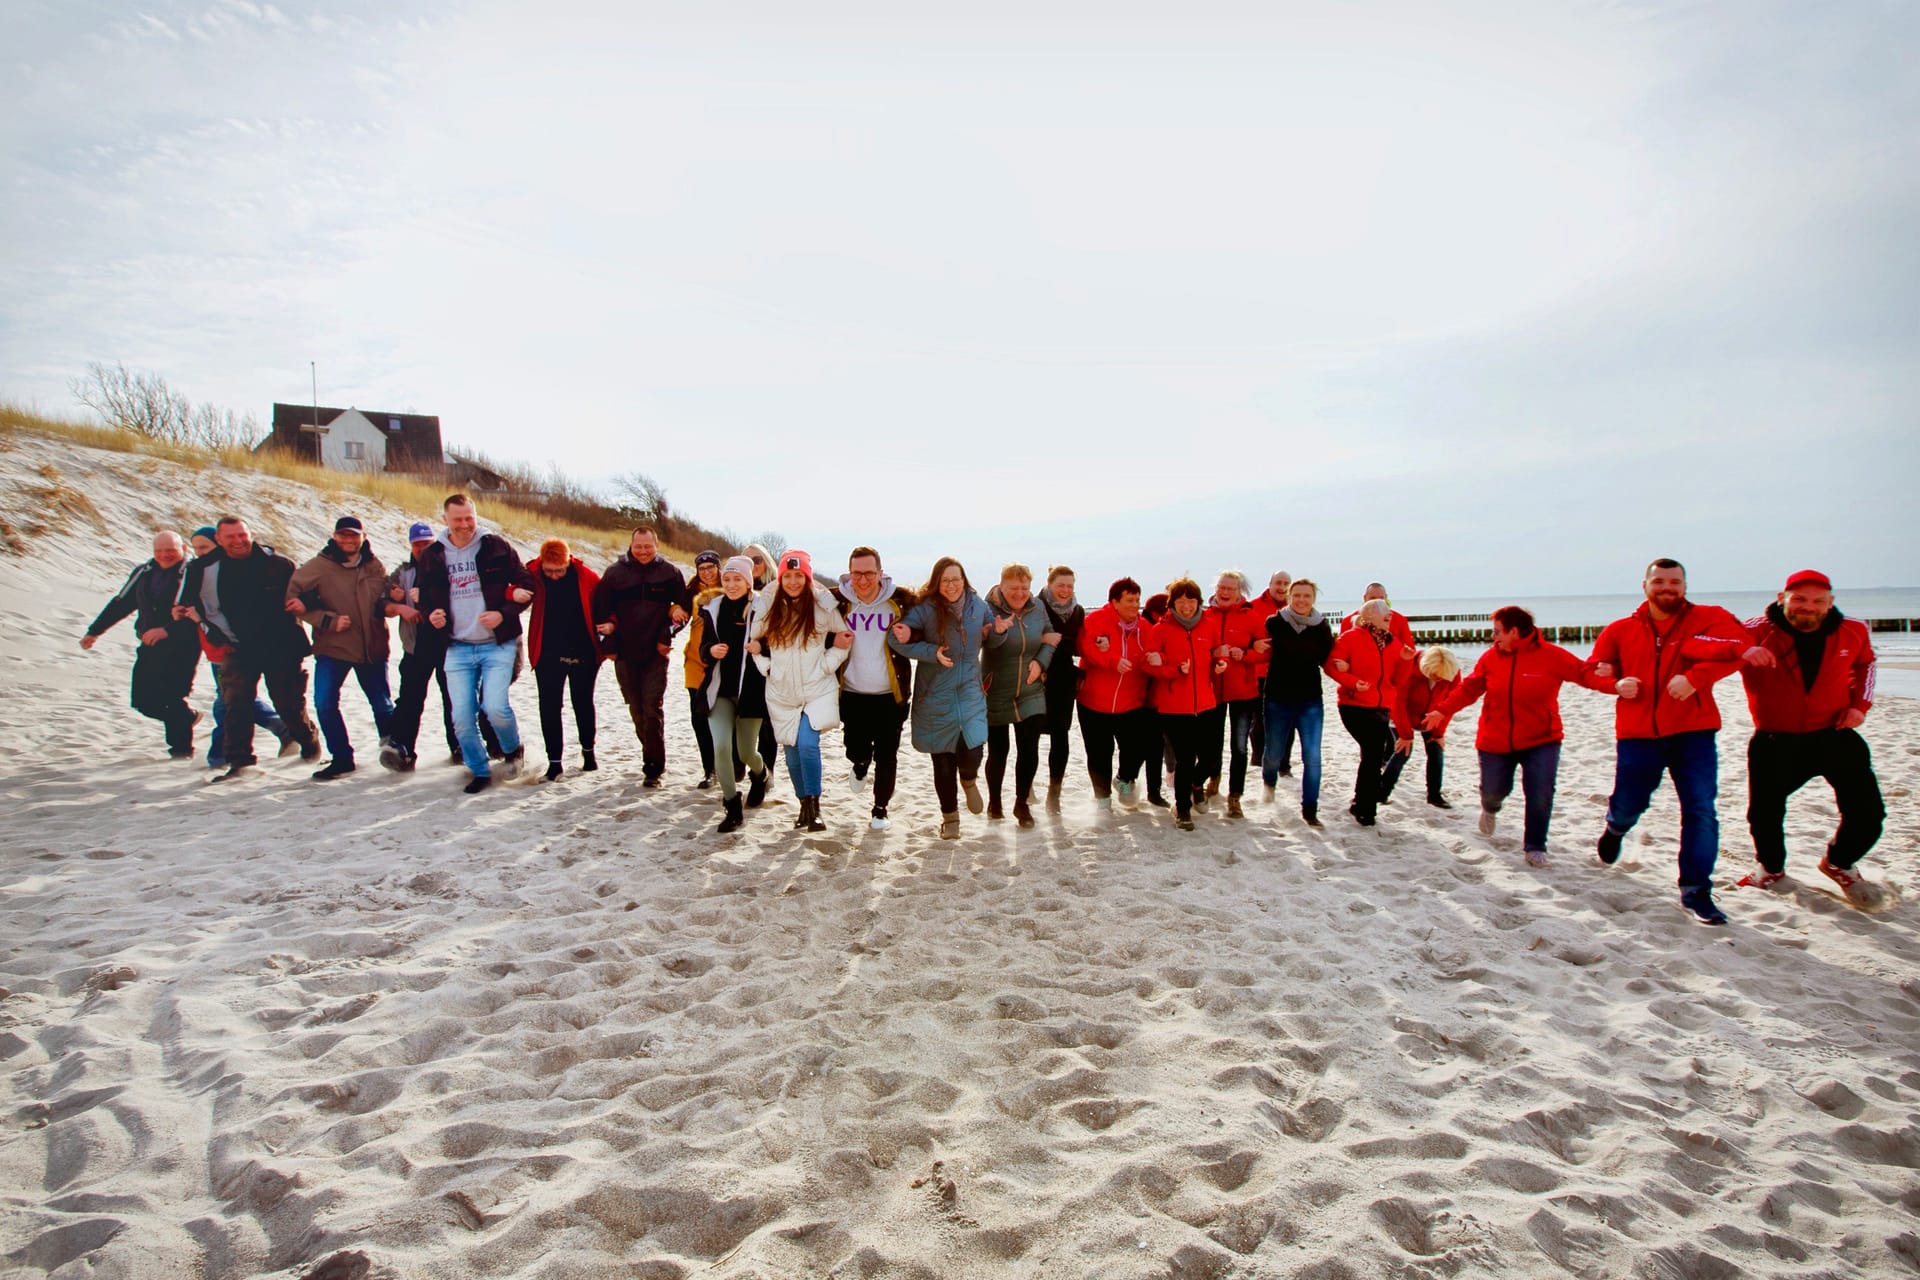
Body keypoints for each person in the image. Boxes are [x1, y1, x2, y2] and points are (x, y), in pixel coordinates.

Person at [1700, 570, 1885, 902]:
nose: (1808, 607)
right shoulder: (1754, 630)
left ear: (1830, 603)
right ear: (1781, 597)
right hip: (1775, 740)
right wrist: (1740, 651)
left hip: (1835, 734)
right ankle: (1770, 870)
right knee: (1764, 814)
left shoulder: (1853, 629)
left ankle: (1839, 863)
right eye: (1799, 599)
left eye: (1818, 601)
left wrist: (1860, 705)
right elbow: (1703, 645)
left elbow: (1866, 664)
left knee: (1869, 815)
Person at [1588, 558, 1750, 926]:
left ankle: (1695, 890)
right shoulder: (1619, 630)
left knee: (1700, 810)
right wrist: (1612, 683)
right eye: (1659, 581)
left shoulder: (1707, 619)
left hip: (1694, 732)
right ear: (1644, 585)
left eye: (1675, 581)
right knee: (1630, 804)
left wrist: (1696, 678)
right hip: (1638, 735)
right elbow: (1593, 669)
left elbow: (1741, 648)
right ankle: (1616, 826)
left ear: (1685, 585)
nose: (1667, 588)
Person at [1425, 609, 1610, 866]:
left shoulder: (1551, 656)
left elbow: (1584, 673)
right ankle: (1490, 808)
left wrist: (1615, 684)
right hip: (1495, 740)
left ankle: (1535, 846)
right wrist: (1442, 710)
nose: (1493, 636)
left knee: (1540, 792)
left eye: (1498, 631)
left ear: (1514, 632)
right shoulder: (1491, 658)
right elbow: (1468, 689)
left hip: (1542, 739)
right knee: (1493, 791)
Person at [175, 517, 321, 779]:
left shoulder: (278, 564)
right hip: (236, 645)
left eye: (242, 535)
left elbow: (307, 593)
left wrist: (302, 604)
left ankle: (308, 740)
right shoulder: (203, 568)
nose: (238, 541)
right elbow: (186, 601)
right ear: (219, 539)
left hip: (281, 646)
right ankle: (240, 763)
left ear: (250, 534)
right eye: (230, 537)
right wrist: (181, 612)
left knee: (288, 705)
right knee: (236, 704)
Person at [421, 494, 535, 794]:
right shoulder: (433, 554)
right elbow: (425, 596)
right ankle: (479, 769)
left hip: (498, 643)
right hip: (456, 646)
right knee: (460, 717)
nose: (465, 525)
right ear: (445, 519)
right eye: (458, 519)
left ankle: (513, 751)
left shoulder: (495, 546)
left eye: (469, 517)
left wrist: (503, 613)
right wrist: (430, 614)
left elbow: (527, 584)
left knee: (495, 707)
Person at [379, 521, 498, 771]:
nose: (423, 548)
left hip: (449, 643)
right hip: (416, 645)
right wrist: (400, 606)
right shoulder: (402, 573)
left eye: (427, 543)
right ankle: (403, 750)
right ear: (411, 545)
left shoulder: (448, 565)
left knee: (456, 698)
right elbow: (381, 605)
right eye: (417, 544)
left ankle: (460, 747)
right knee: (411, 697)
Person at [890, 556, 994, 839]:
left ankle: (969, 780)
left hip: (970, 690)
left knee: (973, 747)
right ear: (938, 582)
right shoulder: (926, 609)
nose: (951, 585)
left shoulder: (978, 606)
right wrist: (928, 650)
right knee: (943, 759)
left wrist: (996, 631)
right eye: (945, 580)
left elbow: (992, 632)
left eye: (956, 580)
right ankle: (950, 820)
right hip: (935, 692)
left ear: (964, 581)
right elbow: (896, 639)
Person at [749, 549, 849, 832]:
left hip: (817, 688)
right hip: (781, 692)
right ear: (781, 578)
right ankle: (802, 805)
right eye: (788, 576)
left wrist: (828, 665)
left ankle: (815, 808)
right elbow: (754, 642)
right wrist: (765, 666)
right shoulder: (769, 609)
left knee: (807, 744)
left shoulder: (823, 608)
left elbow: (845, 640)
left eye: (799, 576)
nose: (793, 582)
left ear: (807, 578)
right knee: (791, 752)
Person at [286, 517, 393, 780]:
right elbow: (291, 599)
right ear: (334, 537)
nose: (348, 540)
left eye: (353, 536)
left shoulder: (374, 565)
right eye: (343, 535)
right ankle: (342, 758)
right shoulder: (319, 565)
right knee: (325, 703)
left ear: (363, 536)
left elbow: (384, 597)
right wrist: (327, 620)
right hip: (334, 647)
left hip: (372, 647)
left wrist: (395, 598)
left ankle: (395, 750)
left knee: (383, 704)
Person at [81, 530, 202, 758]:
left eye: (171, 550)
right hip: (149, 642)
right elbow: (122, 603)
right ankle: (187, 719)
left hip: (183, 644)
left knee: (172, 696)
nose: (165, 555)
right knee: (143, 701)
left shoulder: (194, 572)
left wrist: (167, 630)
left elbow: (199, 611)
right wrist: (94, 631)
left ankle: (181, 749)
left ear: (184, 549)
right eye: (159, 551)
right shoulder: (144, 572)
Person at [183, 525, 290, 768]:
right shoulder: (197, 571)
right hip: (214, 647)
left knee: (228, 701)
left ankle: (220, 756)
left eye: (205, 547)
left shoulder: (227, 570)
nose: (201, 553)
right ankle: (283, 728)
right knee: (234, 699)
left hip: (234, 646)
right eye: (197, 548)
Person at [593, 527, 691, 787]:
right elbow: (600, 614)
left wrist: (666, 636)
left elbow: (684, 611)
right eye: (639, 546)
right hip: (624, 653)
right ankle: (651, 751)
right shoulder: (614, 574)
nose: (643, 551)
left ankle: (653, 768)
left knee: (652, 708)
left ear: (656, 546)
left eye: (648, 546)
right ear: (631, 545)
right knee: (636, 709)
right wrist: (609, 644)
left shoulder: (669, 573)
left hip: (656, 652)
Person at [833, 546, 915, 831]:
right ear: (849, 573)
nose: (863, 580)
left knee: (887, 754)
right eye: (857, 573)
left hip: (890, 696)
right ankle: (859, 763)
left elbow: (929, 621)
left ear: (880, 573)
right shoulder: (836, 601)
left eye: (869, 573)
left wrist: (911, 633)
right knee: (854, 748)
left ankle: (880, 809)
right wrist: (834, 642)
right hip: (852, 693)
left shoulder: (901, 601)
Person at [1143, 578, 1228, 830]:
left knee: (1212, 758)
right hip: (1173, 706)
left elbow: (1218, 652)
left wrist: (1221, 663)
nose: (1187, 607)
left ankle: (1195, 784)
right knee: (1185, 759)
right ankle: (1182, 808)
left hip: (1206, 702)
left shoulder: (1209, 626)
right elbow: (1147, 664)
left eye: (1191, 601)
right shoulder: (1160, 630)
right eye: (1181, 602)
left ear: (1198, 602)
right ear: (1173, 604)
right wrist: (1174, 671)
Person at [982, 563, 1057, 828]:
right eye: (1014, 588)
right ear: (1001, 586)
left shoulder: (1037, 607)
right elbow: (984, 643)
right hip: (995, 688)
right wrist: (999, 632)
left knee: (1029, 748)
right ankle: (994, 802)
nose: (1020, 593)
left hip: (1031, 688)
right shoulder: (987, 608)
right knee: (998, 750)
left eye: (1024, 587)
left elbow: (1050, 637)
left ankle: (1022, 803)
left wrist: (1041, 663)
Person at [701, 556, 771, 832]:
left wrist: (761, 646)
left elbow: (775, 642)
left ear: (748, 581)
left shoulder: (761, 608)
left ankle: (762, 774)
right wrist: (710, 651)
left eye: (737, 579)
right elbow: (703, 647)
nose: (731, 585)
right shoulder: (713, 608)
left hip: (751, 693)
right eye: (727, 579)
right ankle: (731, 805)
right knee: (720, 746)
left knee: (745, 752)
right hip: (719, 691)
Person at [527, 538, 604, 780]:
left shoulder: (586, 575)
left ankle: (589, 753)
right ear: (542, 563)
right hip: (548, 651)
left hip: (584, 650)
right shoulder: (533, 572)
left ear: (569, 561)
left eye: (560, 570)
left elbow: (605, 602)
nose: (555, 575)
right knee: (549, 706)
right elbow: (511, 587)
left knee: (582, 702)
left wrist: (609, 622)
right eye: (549, 571)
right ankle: (555, 763)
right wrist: (513, 592)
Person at [1327, 598, 1407, 827]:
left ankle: (1362, 802)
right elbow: (1332, 665)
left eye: (1389, 613)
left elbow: (1398, 680)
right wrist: (1352, 681)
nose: (1389, 616)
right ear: (1368, 615)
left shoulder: (1393, 643)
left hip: (1382, 706)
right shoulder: (1351, 637)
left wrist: (1407, 662)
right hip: (1354, 705)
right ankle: (1366, 809)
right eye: (1384, 613)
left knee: (1374, 754)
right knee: (1373, 752)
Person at [1261, 578, 1333, 826]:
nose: (1302, 600)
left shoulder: (1322, 627)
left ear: (1313, 598)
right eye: (1297, 595)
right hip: (1278, 699)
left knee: (1312, 756)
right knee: (1272, 754)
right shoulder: (1275, 623)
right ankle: (1269, 782)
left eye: (1307, 596)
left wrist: (1346, 670)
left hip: (1310, 701)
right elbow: (1259, 649)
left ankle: (1310, 810)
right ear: (1289, 597)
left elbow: (1329, 659)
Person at [1203, 569, 1265, 818]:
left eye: (1230, 588)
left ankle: (1235, 796)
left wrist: (1246, 655)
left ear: (1240, 591)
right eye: (1221, 587)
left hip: (1243, 691)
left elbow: (1266, 650)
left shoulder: (1251, 617)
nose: (1225, 592)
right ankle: (1213, 782)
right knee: (1211, 743)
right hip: (1212, 690)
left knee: (1239, 746)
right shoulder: (1205, 615)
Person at [1384, 646, 1463, 809]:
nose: (1438, 680)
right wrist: (1406, 735)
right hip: (1402, 714)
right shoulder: (1409, 666)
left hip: (1431, 716)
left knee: (1436, 750)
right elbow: (1398, 703)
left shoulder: (1451, 671)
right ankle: (1382, 792)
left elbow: (1450, 705)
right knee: (1403, 752)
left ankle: (1434, 795)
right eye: (1435, 676)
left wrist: (1439, 733)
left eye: (1442, 678)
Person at [1038, 566, 1084, 815]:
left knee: (1060, 735)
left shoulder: (1077, 611)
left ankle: (1054, 793)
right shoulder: (1035, 606)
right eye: (1061, 585)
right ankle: (1025, 790)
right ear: (1049, 585)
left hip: (1064, 679)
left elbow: (1078, 645)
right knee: (1030, 735)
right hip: (1037, 676)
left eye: (1070, 585)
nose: (1065, 590)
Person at [681, 551, 724, 788]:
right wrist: (674, 610)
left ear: (719, 567)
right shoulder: (691, 591)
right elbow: (676, 608)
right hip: (695, 662)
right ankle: (709, 770)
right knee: (699, 718)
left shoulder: (730, 585)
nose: (706, 572)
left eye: (711, 567)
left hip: (721, 663)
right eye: (702, 568)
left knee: (722, 717)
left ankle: (727, 764)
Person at [1247, 570, 1292, 773]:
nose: (1282, 587)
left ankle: (1284, 763)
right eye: (1278, 583)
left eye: (1286, 584)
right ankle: (1257, 760)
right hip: (1259, 672)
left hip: (1286, 673)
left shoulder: (1295, 607)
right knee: (1260, 720)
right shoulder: (1254, 607)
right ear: (1270, 584)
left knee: (1287, 720)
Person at [1340, 583, 1417, 659]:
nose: (1377, 602)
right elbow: (1341, 653)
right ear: (1365, 598)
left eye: (1381, 599)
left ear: (1386, 598)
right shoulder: (1348, 622)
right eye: (1372, 598)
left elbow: (1409, 653)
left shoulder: (1399, 620)